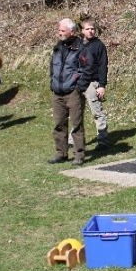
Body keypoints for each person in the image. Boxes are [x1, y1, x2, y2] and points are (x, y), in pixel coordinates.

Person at [48, 19, 93, 166]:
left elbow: (87, 69)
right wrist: (52, 83)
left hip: (73, 91)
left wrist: (79, 87)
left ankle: (79, 154)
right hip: (57, 91)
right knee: (59, 124)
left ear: (72, 32)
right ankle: (61, 153)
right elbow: (52, 67)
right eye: (59, 30)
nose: (59, 33)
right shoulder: (58, 47)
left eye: (62, 31)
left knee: (76, 124)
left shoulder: (81, 48)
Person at [82, 20, 109, 150]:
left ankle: (103, 140)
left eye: (92, 29)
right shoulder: (78, 45)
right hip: (78, 83)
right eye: (87, 29)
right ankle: (73, 139)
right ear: (82, 31)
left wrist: (102, 85)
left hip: (93, 83)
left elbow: (103, 66)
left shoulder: (99, 45)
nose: (90, 31)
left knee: (97, 112)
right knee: (76, 112)